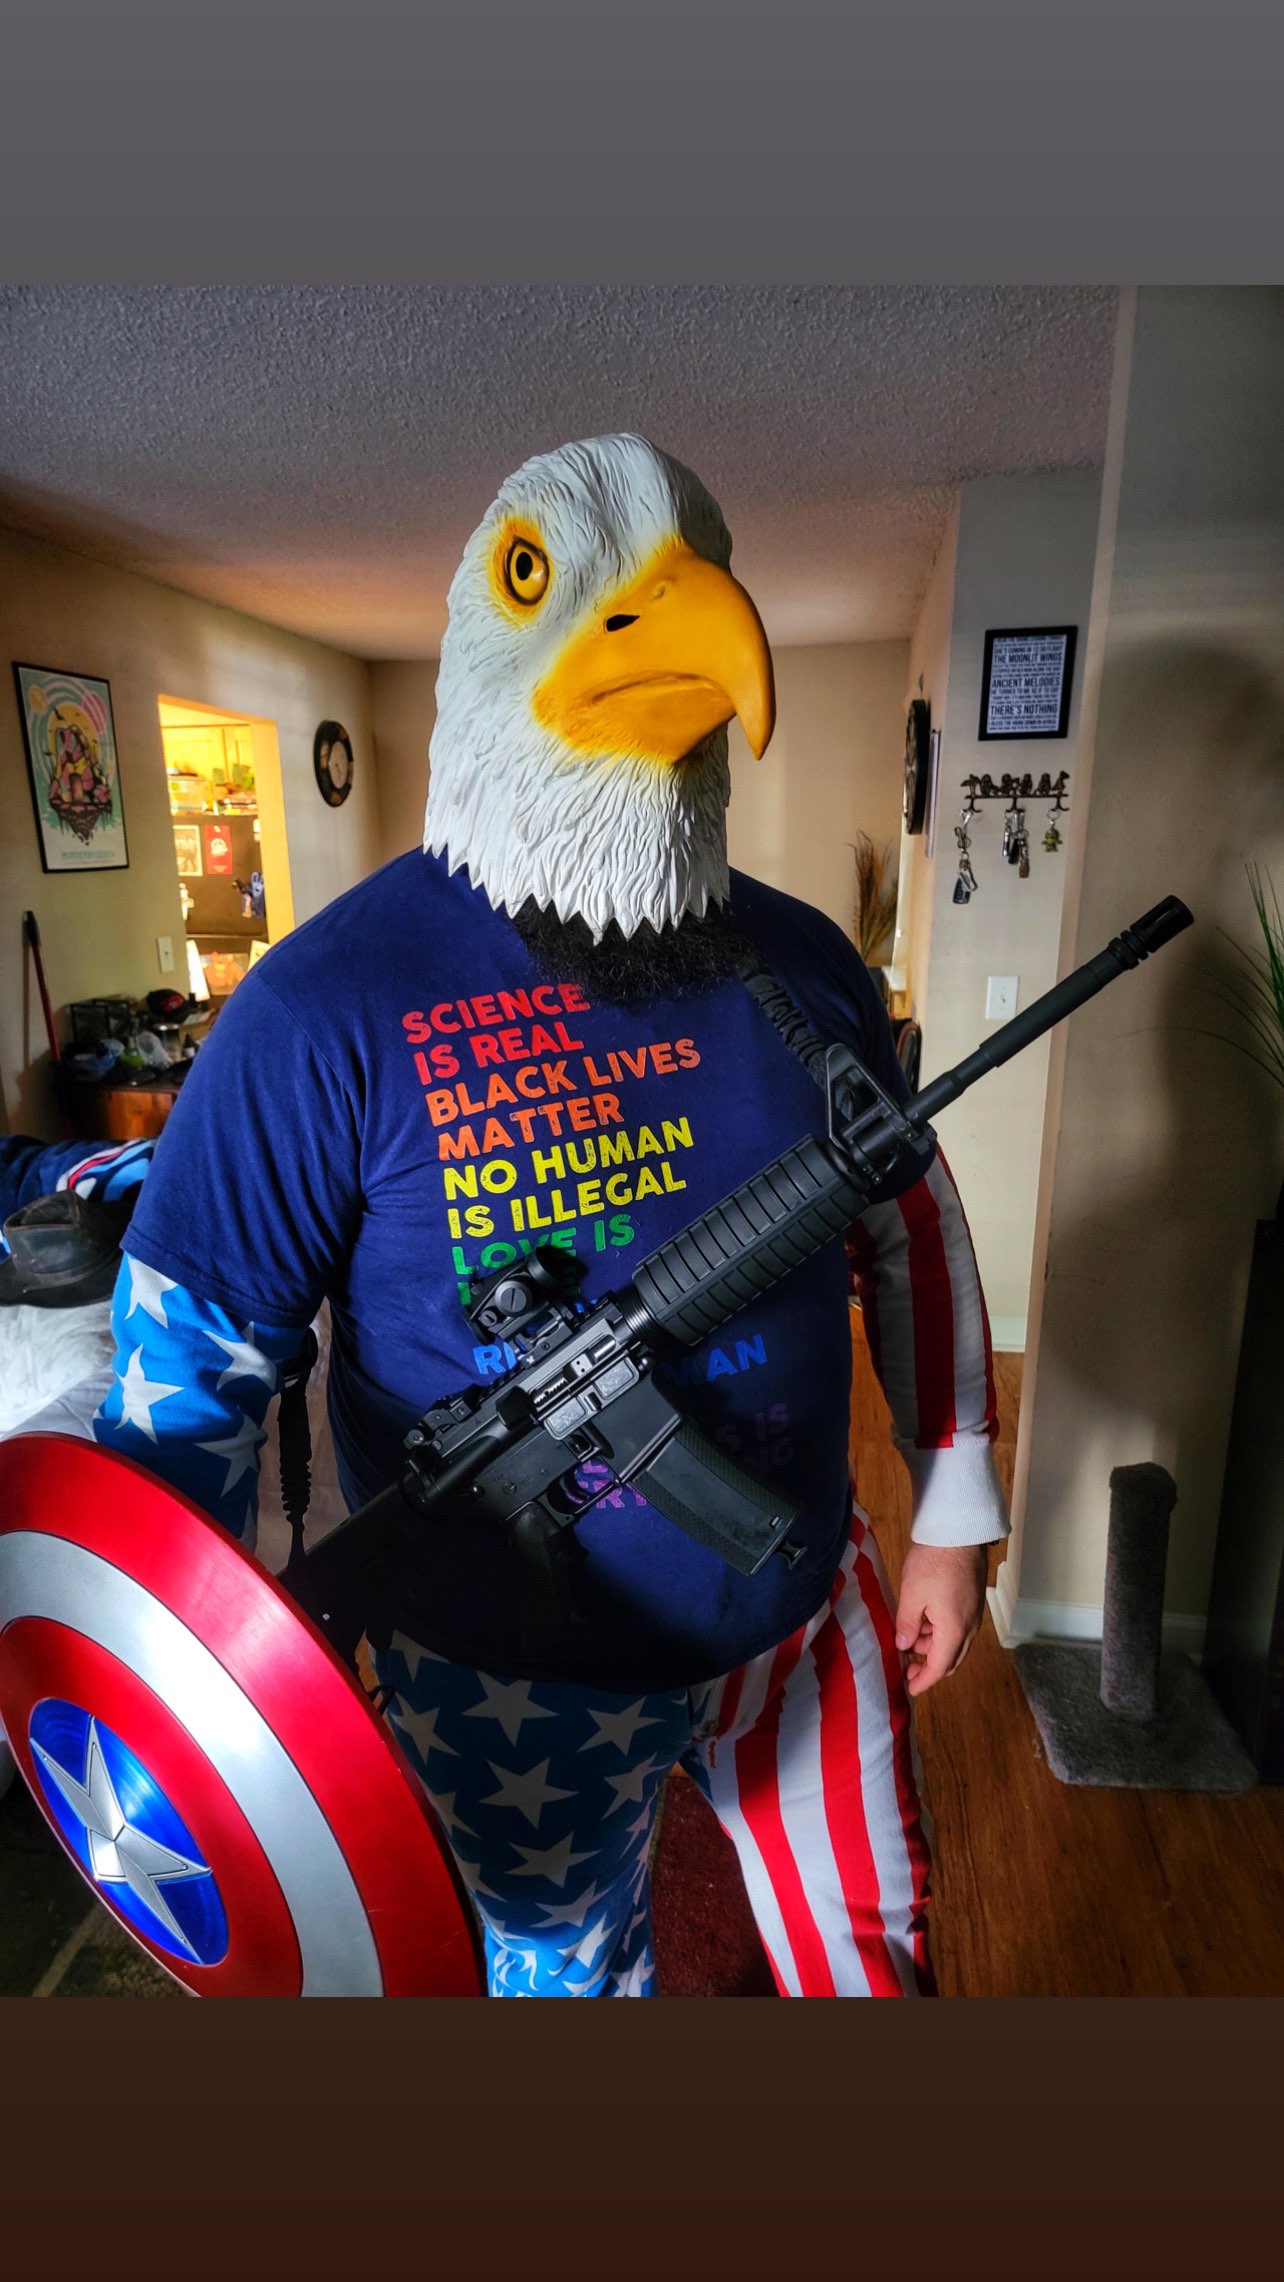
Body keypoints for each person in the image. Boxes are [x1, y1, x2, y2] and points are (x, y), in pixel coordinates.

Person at [94, 434, 1007, 1997]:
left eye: (689, 567)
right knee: (558, 1990)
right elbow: (183, 1387)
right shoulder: (315, 1007)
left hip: (802, 1594)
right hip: (501, 1676)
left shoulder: (805, 965)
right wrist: (179, 1737)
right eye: (541, 575)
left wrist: (953, 1505)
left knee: (877, 1954)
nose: (658, 601)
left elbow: (909, 1221)